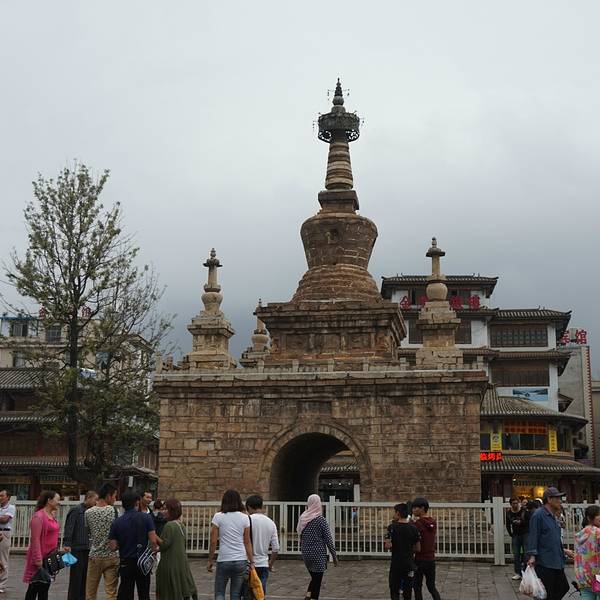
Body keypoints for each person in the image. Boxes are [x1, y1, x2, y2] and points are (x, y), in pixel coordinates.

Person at [526, 487, 574, 600]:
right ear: (549, 499)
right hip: (545, 562)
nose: (560, 501)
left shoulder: (553, 515)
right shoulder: (538, 515)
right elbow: (533, 536)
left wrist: (564, 551)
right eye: (557, 498)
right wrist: (532, 556)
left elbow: (553, 538)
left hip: (557, 560)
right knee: (546, 593)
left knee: (563, 587)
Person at [109, 490, 158, 600]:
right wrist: (153, 552)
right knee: (144, 593)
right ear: (137, 502)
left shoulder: (117, 522)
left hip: (126, 561)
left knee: (125, 593)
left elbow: (112, 547)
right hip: (142, 561)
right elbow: (153, 540)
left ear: (123, 505)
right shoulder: (146, 518)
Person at [208, 489, 254, 600]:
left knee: (220, 592)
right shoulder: (245, 517)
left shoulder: (218, 516)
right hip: (240, 559)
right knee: (235, 594)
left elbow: (213, 541)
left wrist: (210, 560)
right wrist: (252, 561)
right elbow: (247, 541)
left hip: (224, 558)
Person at [156, 498, 198, 600]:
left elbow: (164, 544)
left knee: (168, 592)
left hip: (169, 564)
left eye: (166, 509)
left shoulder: (169, 526)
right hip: (180, 564)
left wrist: (153, 535)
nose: (163, 511)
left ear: (172, 511)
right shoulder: (181, 525)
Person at [298, 494, 338, 600]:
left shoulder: (303, 518)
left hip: (306, 554)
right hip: (318, 554)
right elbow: (328, 540)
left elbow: (300, 536)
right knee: (317, 580)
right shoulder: (321, 520)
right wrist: (334, 556)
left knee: (314, 578)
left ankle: (308, 596)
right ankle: (313, 598)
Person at [23, 491, 61, 600]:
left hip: (50, 558)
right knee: (34, 587)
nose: (59, 502)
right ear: (49, 500)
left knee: (45, 587)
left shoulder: (51, 515)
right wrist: (38, 559)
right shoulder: (38, 517)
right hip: (40, 558)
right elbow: (35, 540)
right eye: (57, 500)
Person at [85, 483, 120, 600]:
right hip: (112, 555)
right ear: (108, 496)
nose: (115, 499)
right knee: (111, 593)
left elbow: (89, 531)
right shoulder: (114, 511)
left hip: (95, 556)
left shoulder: (88, 513)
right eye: (114, 496)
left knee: (90, 592)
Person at [63, 490, 98, 600]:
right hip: (77, 547)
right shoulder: (76, 510)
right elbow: (69, 527)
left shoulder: (92, 512)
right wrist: (67, 543)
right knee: (76, 577)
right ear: (88, 498)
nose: (96, 502)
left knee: (85, 577)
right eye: (95, 499)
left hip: (88, 548)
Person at [384, 503, 420, 600]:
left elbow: (387, 545)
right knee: (408, 591)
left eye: (394, 512)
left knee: (394, 590)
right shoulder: (413, 528)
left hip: (396, 564)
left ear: (398, 513)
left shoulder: (392, 527)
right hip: (409, 564)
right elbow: (418, 548)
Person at [246, 494, 279, 595]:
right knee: (260, 594)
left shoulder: (246, 520)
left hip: (248, 563)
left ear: (249, 507)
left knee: (247, 594)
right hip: (263, 564)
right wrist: (270, 564)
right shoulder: (271, 523)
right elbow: (276, 548)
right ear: (261, 506)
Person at [411, 497, 441, 600]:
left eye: (415, 508)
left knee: (417, 586)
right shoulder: (433, 521)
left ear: (422, 508)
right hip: (431, 559)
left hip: (420, 558)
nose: (413, 510)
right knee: (431, 587)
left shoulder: (417, 524)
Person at [574, 504, 600, 600]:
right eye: (598, 515)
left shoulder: (579, 535)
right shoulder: (597, 532)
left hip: (583, 577)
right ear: (590, 518)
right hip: (597, 576)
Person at [506, 496, 528, 580]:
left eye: (516, 503)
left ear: (519, 503)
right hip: (515, 534)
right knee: (516, 554)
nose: (515, 505)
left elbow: (528, 521)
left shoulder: (524, 511)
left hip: (525, 534)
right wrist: (510, 533)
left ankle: (525, 572)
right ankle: (518, 572)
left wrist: (521, 522)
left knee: (526, 554)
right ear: (511, 504)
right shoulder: (509, 513)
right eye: (513, 503)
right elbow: (508, 524)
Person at [0, 490, 16, 594]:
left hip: (4, 532)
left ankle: (1, 584)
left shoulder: (11, 507)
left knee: (3, 559)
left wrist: (2, 518)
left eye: (2, 496)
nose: (0, 497)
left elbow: (5, 520)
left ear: (8, 497)